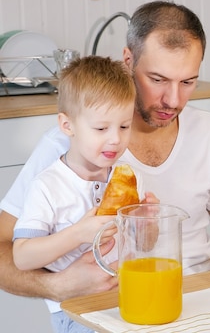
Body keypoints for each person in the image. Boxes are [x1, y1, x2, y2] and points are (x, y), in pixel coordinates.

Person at [0, 0, 210, 309]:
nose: (172, 99)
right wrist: (58, 286)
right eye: (157, 80)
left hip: (195, 300)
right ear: (128, 61)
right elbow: (5, 249)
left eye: (188, 82)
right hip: (104, 308)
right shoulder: (64, 146)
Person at [12, 56, 157, 333]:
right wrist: (78, 233)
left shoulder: (129, 177)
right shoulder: (48, 186)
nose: (116, 138)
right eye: (101, 128)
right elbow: (22, 257)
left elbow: (144, 245)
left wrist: (148, 223)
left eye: (124, 126)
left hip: (127, 299)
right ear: (67, 126)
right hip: (77, 312)